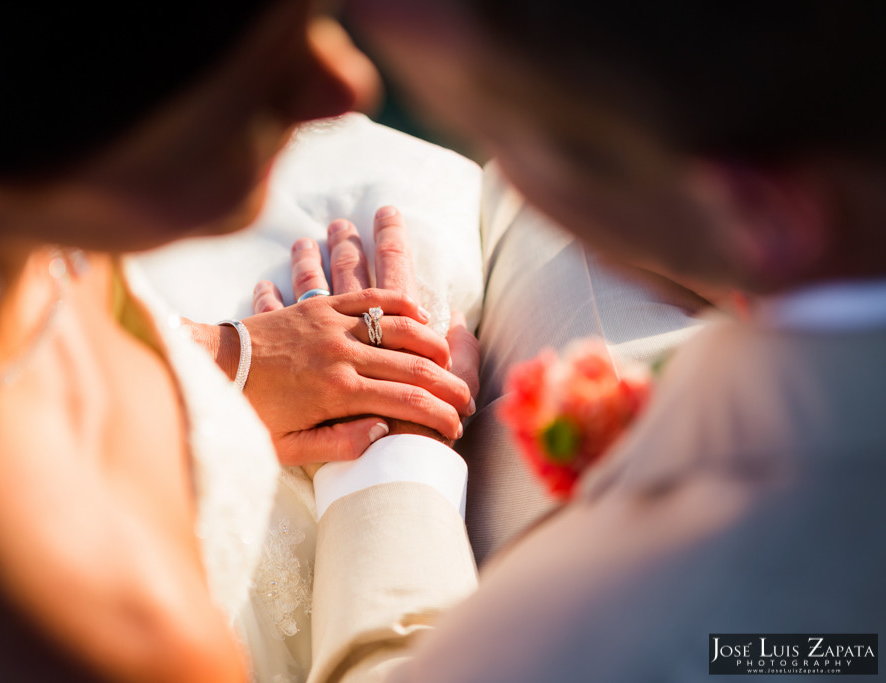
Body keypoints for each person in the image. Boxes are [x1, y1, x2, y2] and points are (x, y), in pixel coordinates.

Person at [0, 2, 479, 680]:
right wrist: (394, 463)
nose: (349, 84)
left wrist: (222, 356)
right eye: (245, 82)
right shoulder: (84, 638)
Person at [295, 0, 883, 679]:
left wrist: (388, 459)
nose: (509, 174)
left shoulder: (646, 631)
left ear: (762, 209)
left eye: (505, 133)